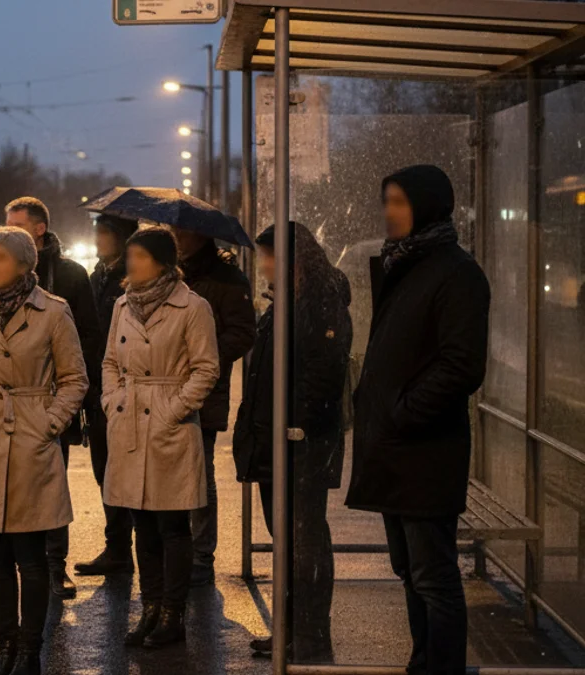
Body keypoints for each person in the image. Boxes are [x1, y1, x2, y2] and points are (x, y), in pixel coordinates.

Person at [346, 165, 490, 675]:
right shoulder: (404, 264)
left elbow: (462, 364)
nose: (389, 212)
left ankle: (441, 667)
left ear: (427, 206)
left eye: (400, 202)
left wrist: (403, 412)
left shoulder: (455, 272)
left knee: (433, 576)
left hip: (425, 448)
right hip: (395, 445)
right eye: (386, 201)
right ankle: (422, 662)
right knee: (410, 571)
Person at [0, 226, 89, 675]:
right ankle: (4, 648)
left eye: (1, 258)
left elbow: (74, 380)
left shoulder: (52, 312)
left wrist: (48, 424)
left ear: (25, 265)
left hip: (31, 439)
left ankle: (30, 651)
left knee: (31, 556)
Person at [0, 196, 101, 602]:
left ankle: (54, 566)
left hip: (44, 408)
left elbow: (88, 344)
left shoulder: (70, 276)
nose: (5, 232)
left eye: (16, 224)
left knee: (49, 489)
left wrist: (65, 413)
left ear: (39, 229)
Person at [234, 222, 352, 661]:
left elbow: (322, 375)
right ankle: (289, 630)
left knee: (304, 539)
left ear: (293, 260)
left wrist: (294, 427)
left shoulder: (320, 304)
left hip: (301, 443)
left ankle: (309, 635)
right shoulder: (285, 302)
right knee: (287, 537)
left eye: (268, 256)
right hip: (277, 441)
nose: (262, 264)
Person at [101, 226, 220, 649]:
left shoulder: (193, 306)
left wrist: (172, 410)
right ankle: (149, 608)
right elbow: (110, 361)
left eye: (140, 256)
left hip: (170, 424)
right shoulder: (122, 304)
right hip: (130, 418)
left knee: (173, 525)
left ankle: (174, 614)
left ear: (163, 262)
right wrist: (113, 401)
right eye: (130, 256)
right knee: (141, 524)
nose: (131, 263)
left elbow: (207, 368)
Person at [172, 227, 256, 585]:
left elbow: (242, 332)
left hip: (205, 389)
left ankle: (202, 556)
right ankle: (176, 551)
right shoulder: (170, 273)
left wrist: (202, 357)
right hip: (166, 386)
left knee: (201, 473)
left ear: (200, 236)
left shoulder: (226, 277)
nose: (175, 236)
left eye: (181, 232)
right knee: (171, 475)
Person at [75, 213, 139, 577]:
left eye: (104, 232)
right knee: (105, 471)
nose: (97, 238)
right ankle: (116, 547)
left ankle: (127, 547)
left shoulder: (130, 278)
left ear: (122, 237)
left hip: (125, 389)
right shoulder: (98, 274)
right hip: (99, 386)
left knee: (125, 471)